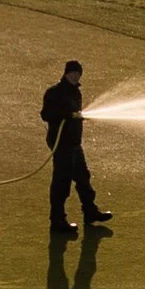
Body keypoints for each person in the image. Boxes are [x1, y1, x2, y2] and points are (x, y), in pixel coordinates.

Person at [41, 61, 112, 239]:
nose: (75, 76)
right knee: (62, 181)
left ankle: (90, 211)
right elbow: (45, 114)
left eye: (77, 73)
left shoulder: (76, 92)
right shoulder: (54, 92)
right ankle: (57, 220)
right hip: (61, 143)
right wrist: (66, 115)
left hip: (74, 143)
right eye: (72, 73)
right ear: (65, 74)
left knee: (83, 177)